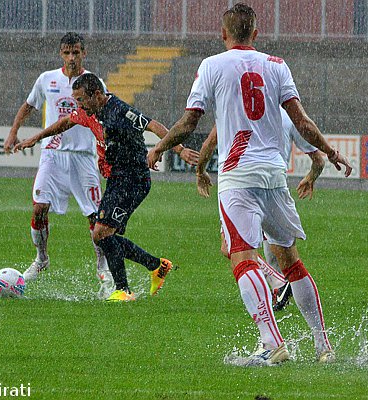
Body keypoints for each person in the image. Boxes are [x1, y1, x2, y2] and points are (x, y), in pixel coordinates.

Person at [147, 3, 352, 366]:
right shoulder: (276, 65)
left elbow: (189, 123)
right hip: (274, 177)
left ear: (223, 34)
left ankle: (272, 344)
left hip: (238, 178)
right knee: (290, 262)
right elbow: (301, 121)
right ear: (256, 34)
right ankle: (324, 347)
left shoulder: (212, 65)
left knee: (242, 257)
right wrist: (330, 151)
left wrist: (159, 148)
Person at [18, 72, 199, 301]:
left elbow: (154, 125)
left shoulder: (120, 110)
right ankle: (155, 267)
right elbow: (66, 122)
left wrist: (176, 150)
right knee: (103, 234)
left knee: (102, 233)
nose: (79, 106)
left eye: (81, 100)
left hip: (133, 179)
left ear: (96, 94)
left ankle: (125, 289)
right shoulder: (89, 112)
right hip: (117, 179)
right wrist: (38, 137)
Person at [3, 32, 114, 297]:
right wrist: (13, 132)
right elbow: (28, 106)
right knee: (39, 207)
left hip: (83, 158)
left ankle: (103, 267)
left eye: (76, 52)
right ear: (61, 54)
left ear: (84, 53)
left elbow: (107, 111)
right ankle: (41, 259)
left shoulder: (93, 82)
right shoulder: (46, 79)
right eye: (67, 52)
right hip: (52, 154)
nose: (71, 58)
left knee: (95, 218)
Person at [196, 107, 326, 312]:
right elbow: (318, 159)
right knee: (288, 259)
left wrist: (200, 171)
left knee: (234, 249)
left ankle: (275, 288)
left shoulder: (234, 110)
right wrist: (311, 178)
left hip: (240, 186)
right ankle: (320, 338)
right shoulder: (287, 116)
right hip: (275, 188)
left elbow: (210, 142)